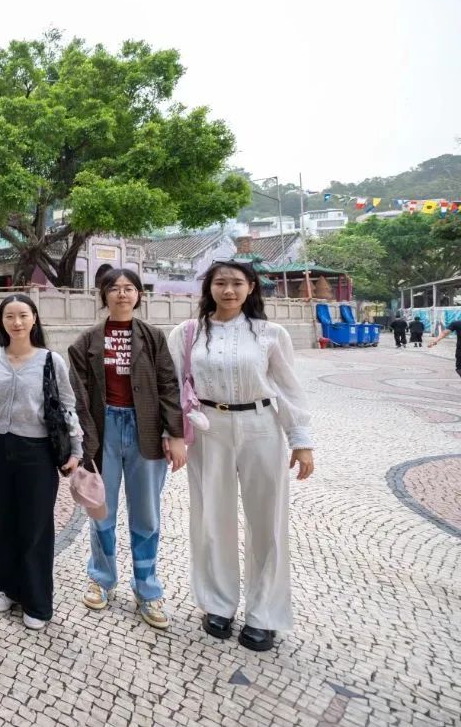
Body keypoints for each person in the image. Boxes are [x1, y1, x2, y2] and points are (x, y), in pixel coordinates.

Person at [168, 260, 315, 652]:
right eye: (220, 283)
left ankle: (264, 614)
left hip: (261, 425)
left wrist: (300, 440)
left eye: (237, 283)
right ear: (209, 288)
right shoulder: (188, 333)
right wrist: (172, 434)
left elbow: (288, 387)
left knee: (267, 521)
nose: (228, 290)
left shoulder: (271, 334)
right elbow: (173, 387)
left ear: (251, 287)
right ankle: (218, 604)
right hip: (208, 427)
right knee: (211, 517)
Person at [68, 268, 184, 631]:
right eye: (114, 288)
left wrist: (175, 433)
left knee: (146, 513)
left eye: (129, 288)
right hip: (103, 430)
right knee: (101, 509)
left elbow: (168, 384)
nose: (122, 294)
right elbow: (78, 396)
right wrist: (86, 441)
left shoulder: (153, 337)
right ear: (103, 295)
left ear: (138, 295)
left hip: (144, 429)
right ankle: (101, 578)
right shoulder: (86, 341)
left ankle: (147, 587)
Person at [0, 294, 83, 632]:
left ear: (34, 319)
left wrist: (76, 449)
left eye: (23, 315)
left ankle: (36, 600)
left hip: (37, 451)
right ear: (2, 322)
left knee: (36, 525)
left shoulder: (51, 360)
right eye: (9, 316)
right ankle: (4, 587)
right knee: (0, 521)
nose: (17, 322)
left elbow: (67, 406)